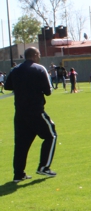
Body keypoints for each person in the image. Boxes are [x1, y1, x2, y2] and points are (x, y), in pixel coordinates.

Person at [4, 46, 58, 182]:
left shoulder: (15, 70)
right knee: (51, 135)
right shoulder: (40, 69)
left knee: (21, 144)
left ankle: (18, 174)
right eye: (38, 54)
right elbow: (48, 91)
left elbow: (7, 86)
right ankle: (44, 167)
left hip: (20, 113)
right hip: (36, 111)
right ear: (34, 55)